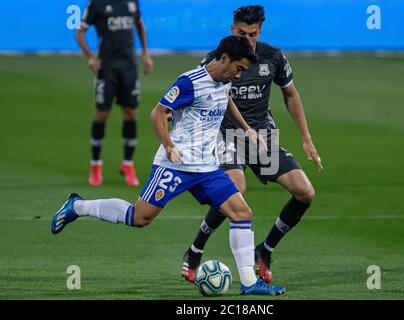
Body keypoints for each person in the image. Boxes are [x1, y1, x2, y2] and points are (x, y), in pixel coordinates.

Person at [51, 36, 286, 296]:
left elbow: (225, 101)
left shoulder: (224, 82)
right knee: (139, 218)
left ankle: (249, 283)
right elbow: (158, 113)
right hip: (175, 165)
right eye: (238, 69)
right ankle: (78, 206)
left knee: (242, 213)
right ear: (224, 59)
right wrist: (169, 146)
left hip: (207, 167)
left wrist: (247, 129)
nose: (239, 76)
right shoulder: (190, 82)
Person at [182, 5, 323, 284]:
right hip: (227, 134)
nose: (247, 39)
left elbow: (291, 95)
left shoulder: (273, 56)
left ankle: (266, 250)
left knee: (305, 192)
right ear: (232, 29)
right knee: (235, 190)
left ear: (261, 30)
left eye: (253, 34)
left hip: (262, 136)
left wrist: (306, 138)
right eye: (241, 33)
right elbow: (195, 96)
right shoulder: (217, 60)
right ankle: (196, 249)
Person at [76, 0, 154, 186]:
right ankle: (95, 165)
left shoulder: (132, 2)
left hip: (129, 67)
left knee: (130, 113)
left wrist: (145, 54)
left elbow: (139, 24)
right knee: (102, 113)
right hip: (107, 68)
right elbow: (80, 32)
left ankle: (128, 164)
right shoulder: (96, 4)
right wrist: (91, 57)